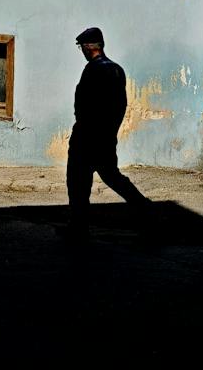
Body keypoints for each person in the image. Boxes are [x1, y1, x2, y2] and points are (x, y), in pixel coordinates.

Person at [65, 26, 151, 238]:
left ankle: (79, 228)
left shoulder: (92, 70)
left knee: (78, 182)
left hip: (86, 138)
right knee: (112, 176)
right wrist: (111, 130)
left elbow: (82, 104)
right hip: (106, 137)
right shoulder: (117, 70)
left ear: (87, 48)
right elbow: (121, 105)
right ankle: (144, 207)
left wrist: (83, 129)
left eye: (81, 47)